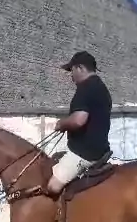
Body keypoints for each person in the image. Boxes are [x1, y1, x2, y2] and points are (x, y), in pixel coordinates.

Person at [48, 51, 112, 196]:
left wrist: (62, 124)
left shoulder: (86, 88)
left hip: (84, 153)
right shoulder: (101, 87)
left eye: (72, 70)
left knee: (52, 186)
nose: (71, 75)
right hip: (99, 149)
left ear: (80, 68)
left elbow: (78, 120)